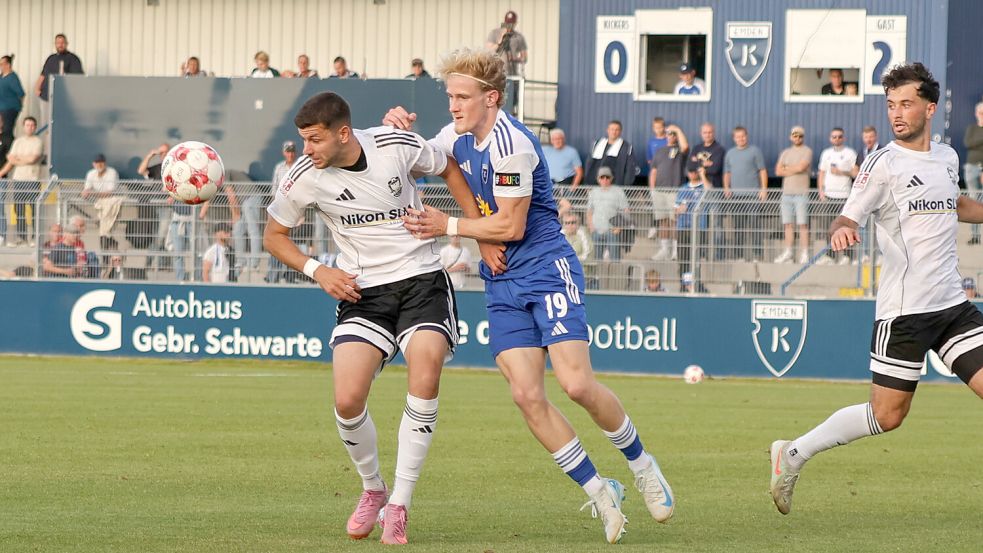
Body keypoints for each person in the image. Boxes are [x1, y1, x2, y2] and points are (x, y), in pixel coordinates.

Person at [389, 47, 674, 544]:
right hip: (501, 278)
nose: (453, 106)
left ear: (491, 98)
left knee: (577, 385)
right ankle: (600, 489)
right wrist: (396, 130)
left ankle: (643, 465)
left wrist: (449, 226)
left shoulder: (511, 144)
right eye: (449, 96)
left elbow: (511, 224)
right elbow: (413, 162)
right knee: (526, 395)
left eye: (462, 97)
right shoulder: (456, 134)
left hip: (545, 266)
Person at [770, 62, 983, 517]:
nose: (897, 113)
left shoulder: (946, 157)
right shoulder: (882, 164)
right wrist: (842, 230)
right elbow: (848, 214)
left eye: (906, 103)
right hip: (904, 313)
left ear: (930, 107)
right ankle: (793, 453)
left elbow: (955, 202)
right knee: (888, 417)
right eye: (891, 105)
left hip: (953, 306)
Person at [264, 92, 472, 545]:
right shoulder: (305, 177)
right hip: (363, 291)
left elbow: (448, 167)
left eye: (314, 140)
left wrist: (472, 226)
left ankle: (399, 502)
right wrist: (319, 271)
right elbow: (274, 235)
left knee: (425, 374)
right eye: (303, 140)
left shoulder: (394, 144)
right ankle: (373, 489)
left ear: (343, 134)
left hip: (422, 279)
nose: (307, 150)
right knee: (347, 399)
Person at [722, 126, 767, 261]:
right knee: (738, 227)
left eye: (743, 136)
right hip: (736, 197)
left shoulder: (755, 151)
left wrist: (764, 189)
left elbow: (762, 171)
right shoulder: (730, 153)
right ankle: (739, 256)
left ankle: (757, 255)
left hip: (753, 196)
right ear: (734, 138)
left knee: (755, 226)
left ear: (746, 136)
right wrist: (726, 187)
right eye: (738, 136)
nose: (741, 139)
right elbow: (727, 172)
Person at [816, 127, 858, 264]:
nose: (837, 139)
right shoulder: (826, 153)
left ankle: (848, 256)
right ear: (830, 138)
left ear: (843, 138)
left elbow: (855, 173)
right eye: (834, 137)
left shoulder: (850, 153)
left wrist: (842, 172)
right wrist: (820, 191)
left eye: (839, 136)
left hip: (844, 196)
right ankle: (830, 255)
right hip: (829, 196)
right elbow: (821, 173)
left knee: (845, 227)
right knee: (829, 228)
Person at [0, 117, 43, 247]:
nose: (29, 127)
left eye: (32, 125)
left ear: (35, 127)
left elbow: (33, 159)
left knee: (34, 208)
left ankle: (34, 237)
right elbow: (11, 158)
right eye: (27, 125)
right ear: (23, 126)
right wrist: (23, 159)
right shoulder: (18, 141)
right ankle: (22, 237)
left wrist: (19, 159)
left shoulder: (38, 141)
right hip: (18, 179)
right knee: (19, 209)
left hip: (32, 179)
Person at [774, 126, 813, 264]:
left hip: (801, 193)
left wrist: (787, 168)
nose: (797, 138)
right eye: (795, 136)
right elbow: (778, 171)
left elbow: (802, 167)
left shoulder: (807, 151)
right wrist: (794, 169)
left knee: (803, 224)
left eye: (800, 136)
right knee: (788, 224)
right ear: (791, 137)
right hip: (787, 194)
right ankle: (789, 252)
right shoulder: (785, 152)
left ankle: (805, 253)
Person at [649, 126, 689, 260]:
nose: (671, 136)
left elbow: (685, 146)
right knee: (663, 221)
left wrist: (678, 130)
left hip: (674, 190)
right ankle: (664, 250)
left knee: (674, 220)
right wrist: (652, 189)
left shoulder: (679, 150)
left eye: (673, 134)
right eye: (669, 134)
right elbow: (654, 171)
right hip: (659, 191)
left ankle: (675, 250)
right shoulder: (659, 151)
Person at [136, 143, 172, 270]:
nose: (163, 155)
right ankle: (155, 264)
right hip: (155, 205)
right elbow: (141, 171)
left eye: (165, 152)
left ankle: (156, 264)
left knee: (162, 235)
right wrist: (150, 155)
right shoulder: (158, 168)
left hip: (168, 207)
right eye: (161, 153)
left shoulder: (177, 168)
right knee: (156, 236)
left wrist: (172, 196)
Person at [587, 167, 630, 262]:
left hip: (612, 229)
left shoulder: (618, 191)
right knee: (596, 259)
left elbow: (626, 210)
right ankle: (597, 276)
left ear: (611, 178)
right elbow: (589, 211)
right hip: (596, 230)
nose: (605, 180)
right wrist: (591, 226)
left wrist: (620, 227)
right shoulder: (593, 192)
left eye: (607, 177)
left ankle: (615, 275)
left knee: (615, 259)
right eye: (602, 177)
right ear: (598, 179)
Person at [675, 167, 709, 283]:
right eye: (690, 171)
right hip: (683, 227)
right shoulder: (683, 189)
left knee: (696, 258)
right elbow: (676, 210)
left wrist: (703, 175)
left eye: (695, 171)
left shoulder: (703, 186)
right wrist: (680, 209)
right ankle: (685, 284)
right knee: (683, 258)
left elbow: (710, 192)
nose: (692, 173)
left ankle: (696, 284)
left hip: (699, 228)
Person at [82, 153, 122, 252]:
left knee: (105, 229)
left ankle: (106, 254)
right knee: (104, 230)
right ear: (93, 164)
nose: (99, 165)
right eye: (97, 163)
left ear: (105, 163)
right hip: (99, 204)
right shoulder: (91, 173)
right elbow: (86, 190)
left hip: (113, 201)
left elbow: (110, 193)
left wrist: (91, 194)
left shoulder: (112, 172)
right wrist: (86, 192)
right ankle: (108, 251)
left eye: (101, 162)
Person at [584, 120, 638, 186]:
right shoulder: (597, 144)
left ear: (620, 132)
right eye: (612, 129)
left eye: (617, 130)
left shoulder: (627, 147)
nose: (614, 132)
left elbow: (630, 169)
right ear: (608, 130)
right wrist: (587, 183)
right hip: (595, 185)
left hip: (615, 186)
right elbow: (589, 164)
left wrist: (625, 186)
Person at [35, 34, 84, 104]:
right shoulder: (51, 58)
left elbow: (78, 78)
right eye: (58, 43)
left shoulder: (73, 59)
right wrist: (37, 88)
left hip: (64, 98)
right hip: (46, 96)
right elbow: (43, 74)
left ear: (66, 44)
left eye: (62, 43)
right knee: (45, 115)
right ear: (55, 44)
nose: (60, 45)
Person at [0, 55, 25, 165]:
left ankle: (8, 155)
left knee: (7, 132)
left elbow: (21, 93)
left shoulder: (12, 78)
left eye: (2, 64)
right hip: (2, 109)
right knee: (2, 132)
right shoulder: (2, 77)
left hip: (10, 109)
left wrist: (18, 107)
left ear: (8, 64)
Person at [964, 103, 983, 245]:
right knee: (973, 200)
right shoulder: (972, 129)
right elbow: (968, 143)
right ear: (976, 114)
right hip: (971, 168)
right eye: (980, 112)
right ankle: (975, 236)